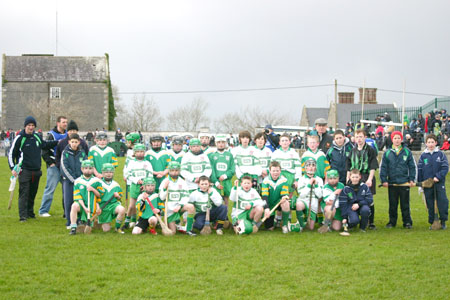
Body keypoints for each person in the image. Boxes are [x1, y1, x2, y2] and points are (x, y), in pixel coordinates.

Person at [8, 116, 59, 222]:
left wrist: (58, 142)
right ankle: (23, 216)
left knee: (32, 193)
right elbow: (11, 153)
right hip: (24, 170)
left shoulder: (36, 136)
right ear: (25, 126)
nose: (31, 127)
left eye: (33, 125)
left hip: (36, 170)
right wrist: (13, 167)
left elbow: (44, 145)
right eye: (29, 125)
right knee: (24, 193)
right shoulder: (20, 137)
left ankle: (30, 212)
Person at [380, 131, 416, 229]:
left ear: (401, 139)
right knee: (392, 204)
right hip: (392, 183)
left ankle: (407, 222)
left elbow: (412, 166)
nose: (397, 140)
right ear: (392, 139)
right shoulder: (387, 152)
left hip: (404, 183)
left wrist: (412, 179)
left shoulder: (407, 151)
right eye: (395, 138)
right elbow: (383, 167)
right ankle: (392, 222)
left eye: (398, 138)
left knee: (405, 204)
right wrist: (384, 180)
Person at [346, 129, 379, 230]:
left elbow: (373, 166)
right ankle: (354, 219)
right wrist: (348, 179)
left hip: (366, 176)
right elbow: (348, 166)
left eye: (361, 136)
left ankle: (371, 222)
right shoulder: (352, 151)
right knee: (354, 198)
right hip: (354, 177)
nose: (359, 139)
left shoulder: (370, 150)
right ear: (354, 139)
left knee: (369, 200)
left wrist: (370, 179)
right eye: (357, 137)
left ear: (365, 137)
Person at [417, 134, 448, 229]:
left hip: (439, 182)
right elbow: (420, 170)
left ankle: (443, 221)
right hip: (427, 184)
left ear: (436, 143)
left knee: (442, 201)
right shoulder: (423, 155)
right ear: (426, 143)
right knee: (429, 203)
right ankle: (433, 222)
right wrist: (420, 184)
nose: (430, 144)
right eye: (429, 142)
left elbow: (445, 167)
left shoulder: (440, 154)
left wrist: (438, 177)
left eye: (432, 142)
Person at [38, 116, 68, 217]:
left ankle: (66, 212)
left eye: (66, 122)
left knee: (66, 189)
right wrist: (50, 163)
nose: (65, 124)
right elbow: (44, 151)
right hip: (54, 166)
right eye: (63, 122)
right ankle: (43, 211)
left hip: (65, 166)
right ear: (58, 123)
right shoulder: (51, 135)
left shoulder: (68, 134)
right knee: (50, 189)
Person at [159, 161, 197, 236]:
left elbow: (186, 195)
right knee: (172, 233)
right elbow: (161, 197)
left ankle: (189, 230)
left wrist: (180, 205)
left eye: (176, 170)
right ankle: (177, 226)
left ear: (179, 171)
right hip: (169, 210)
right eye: (172, 171)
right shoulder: (165, 181)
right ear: (169, 171)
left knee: (191, 207)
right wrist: (164, 188)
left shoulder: (182, 182)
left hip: (179, 207)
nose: (174, 173)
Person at [69, 160, 105, 235]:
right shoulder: (78, 181)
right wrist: (85, 208)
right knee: (74, 206)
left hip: (93, 206)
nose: (88, 170)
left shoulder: (97, 181)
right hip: (82, 205)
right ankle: (73, 227)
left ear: (93, 169)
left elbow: (100, 195)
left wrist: (93, 189)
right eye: (86, 168)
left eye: (90, 168)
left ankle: (87, 222)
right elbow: (78, 197)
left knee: (89, 225)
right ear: (82, 169)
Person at [60, 133, 88, 228]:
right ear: (69, 142)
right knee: (68, 201)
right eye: (72, 142)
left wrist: (82, 179)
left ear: (79, 142)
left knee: (80, 200)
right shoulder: (65, 153)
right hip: (69, 181)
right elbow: (64, 167)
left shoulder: (82, 152)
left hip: (80, 182)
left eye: (76, 142)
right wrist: (73, 180)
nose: (74, 144)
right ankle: (69, 221)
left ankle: (80, 220)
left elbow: (85, 165)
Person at [124, 143, 154, 229]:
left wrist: (145, 184)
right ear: (135, 153)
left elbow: (150, 174)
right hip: (134, 185)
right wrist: (137, 180)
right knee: (131, 206)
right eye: (138, 152)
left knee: (143, 204)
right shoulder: (131, 163)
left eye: (142, 151)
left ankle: (141, 221)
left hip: (145, 187)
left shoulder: (147, 163)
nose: (140, 153)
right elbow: (128, 174)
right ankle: (127, 222)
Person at [260, 161, 291, 233]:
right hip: (270, 204)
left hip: (279, 202)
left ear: (280, 171)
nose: (275, 173)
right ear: (270, 171)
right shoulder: (265, 181)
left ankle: (284, 225)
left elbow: (284, 194)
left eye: (277, 171)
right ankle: (275, 220)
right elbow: (264, 197)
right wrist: (266, 208)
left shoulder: (284, 180)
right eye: (273, 171)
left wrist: (284, 197)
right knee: (269, 228)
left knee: (286, 203)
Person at [294, 158, 324, 231]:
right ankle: (301, 225)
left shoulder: (319, 179)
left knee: (311, 228)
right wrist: (309, 184)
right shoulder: (301, 179)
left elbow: (319, 195)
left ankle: (305, 219)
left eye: (313, 165)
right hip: (304, 200)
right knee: (299, 204)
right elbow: (302, 195)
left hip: (313, 202)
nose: (311, 167)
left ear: (315, 168)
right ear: (305, 168)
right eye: (309, 165)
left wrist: (316, 185)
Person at [97, 163, 126, 233]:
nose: (108, 174)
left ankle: (117, 227)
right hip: (103, 207)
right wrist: (98, 208)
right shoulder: (99, 184)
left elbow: (120, 198)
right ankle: (99, 222)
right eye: (106, 172)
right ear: (102, 173)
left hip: (113, 205)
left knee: (122, 209)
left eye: (110, 172)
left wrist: (118, 196)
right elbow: (95, 199)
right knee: (106, 230)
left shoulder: (116, 185)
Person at [208, 134, 235, 207]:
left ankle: (226, 215)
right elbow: (211, 170)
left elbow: (232, 169)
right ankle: (218, 215)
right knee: (216, 199)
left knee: (226, 198)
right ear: (216, 143)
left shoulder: (229, 155)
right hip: (216, 181)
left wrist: (225, 175)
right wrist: (216, 182)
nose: (221, 144)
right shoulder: (212, 156)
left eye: (223, 142)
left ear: (225, 143)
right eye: (219, 142)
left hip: (226, 181)